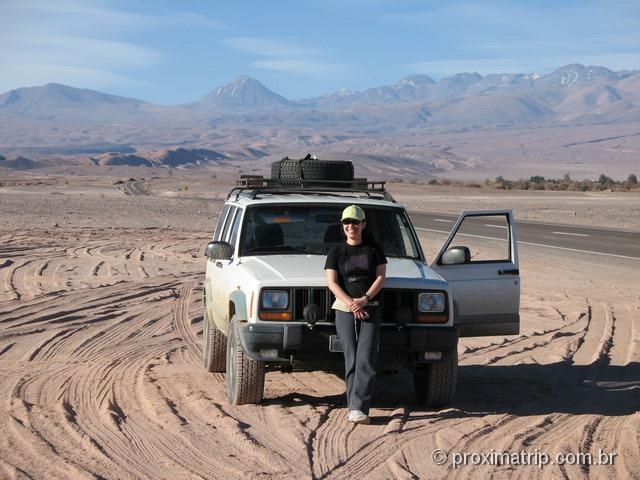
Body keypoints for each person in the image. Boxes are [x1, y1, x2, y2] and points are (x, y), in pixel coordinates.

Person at [325, 205, 387, 424]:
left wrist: (365, 300)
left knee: (366, 358)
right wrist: (352, 304)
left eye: (355, 222)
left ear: (363, 225)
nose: (350, 226)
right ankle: (353, 407)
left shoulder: (374, 249)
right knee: (351, 357)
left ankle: (360, 408)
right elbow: (332, 282)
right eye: (346, 222)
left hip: (371, 307)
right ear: (342, 226)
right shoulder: (336, 251)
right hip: (344, 309)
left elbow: (380, 277)